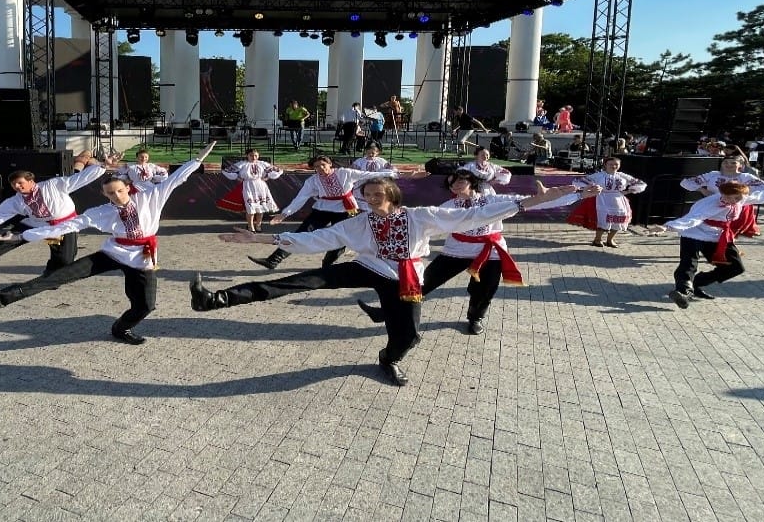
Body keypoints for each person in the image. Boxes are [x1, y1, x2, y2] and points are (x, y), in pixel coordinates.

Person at [193, 178, 584, 385]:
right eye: (367, 195)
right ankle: (217, 300)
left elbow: (478, 214)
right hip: (369, 267)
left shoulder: (420, 216)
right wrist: (258, 237)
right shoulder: (359, 221)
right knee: (301, 280)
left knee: (410, 336)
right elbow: (313, 240)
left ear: (392, 195)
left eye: (379, 194)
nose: (373, 200)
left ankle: (388, 359)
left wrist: (538, 200)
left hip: (406, 275)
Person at [0, 142, 218, 346]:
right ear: (105, 195)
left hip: (143, 258)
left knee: (145, 306)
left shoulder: (151, 197)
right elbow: (69, 225)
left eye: (120, 191)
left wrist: (199, 158)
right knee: (51, 279)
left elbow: (177, 177)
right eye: (110, 193)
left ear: (127, 189)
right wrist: (23, 236)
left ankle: (121, 328)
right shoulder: (101, 212)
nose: (116, 196)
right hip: (112, 253)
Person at [354, 170, 590, 334]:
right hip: (457, 250)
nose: (456, 185)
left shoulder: (493, 200)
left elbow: (536, 200)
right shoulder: (447, 206)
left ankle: (475, 317)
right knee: (422, 283)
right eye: (453, 182)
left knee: (486, 289)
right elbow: (424, 222)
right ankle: (386, 312)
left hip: (491, 251)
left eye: (461, 181)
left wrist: (577, 195)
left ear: (472, 183)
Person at [0, 150, 114, 284]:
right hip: (32, 224)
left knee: (65, 261)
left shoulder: (53, 185)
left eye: (20, 183)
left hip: (63, 225)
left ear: (31, 181)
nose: (17, 187)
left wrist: (103, 166)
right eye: (14, 185)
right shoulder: (16, 200)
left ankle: (50, 278)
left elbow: (79, 179)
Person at [655, 180, 764, 308]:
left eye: (737, 198)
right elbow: (693, 218)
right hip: (694, 233)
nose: (732, 201)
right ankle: (684, 292)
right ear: (721, 193)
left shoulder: (742, 198)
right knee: (689, 263)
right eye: (727, 197)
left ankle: (697, 283)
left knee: (735, 267)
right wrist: (667, 226)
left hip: (717, 235)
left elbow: (760, 196)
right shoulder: (709, 204)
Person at [246, 154, 407, 270]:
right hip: (322, 210)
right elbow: (301, 197)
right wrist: (285, 213)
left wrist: (396, 174)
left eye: (323, 165)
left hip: (345, 210)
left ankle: (327, 265)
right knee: (301, 234)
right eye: (316, 166)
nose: (320, 168)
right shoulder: (313, 180)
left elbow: (371, 174)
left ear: (330, 164)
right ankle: (273, 260)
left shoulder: (345, 173)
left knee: (342, 239)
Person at [680, 155, 764, 237]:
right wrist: (702, 189)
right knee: (710, 231)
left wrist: (744, 195)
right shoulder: (713, 175)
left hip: (736, 209)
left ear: (740, 165)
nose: (729, 165)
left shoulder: (745, 177)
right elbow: (687, 183)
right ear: (721, 164)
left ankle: (726, 249)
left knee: (728, 232)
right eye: (726, 162)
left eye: (733, 163)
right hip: (713, 205)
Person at [566, 156, 647, 247]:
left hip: (618, 200)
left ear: (619, 165)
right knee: (602, 219)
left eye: (616, 164)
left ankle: (610, 240)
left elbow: (640, 183)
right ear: (605, 165)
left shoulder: (623, 176)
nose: (613, 166)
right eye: (610, 164)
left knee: (619, 219)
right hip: (602, 199)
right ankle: (597, 240)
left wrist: (628, 191)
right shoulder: (599, 175)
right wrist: (592, 188)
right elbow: (579, 181)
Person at [217, 148, 284, 232]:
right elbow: (227, 171)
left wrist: (267, 176)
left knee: (260, 207)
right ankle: (250, 226)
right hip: (248, 185)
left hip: (261, 186)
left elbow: (278, 170)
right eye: (251, 155)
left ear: (258, 155)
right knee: (250, 207)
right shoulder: (242, 164)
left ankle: (258, 225)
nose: (254, 157)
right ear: (247, 156)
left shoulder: (263, 164)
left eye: (256, 155)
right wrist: (237, 177)